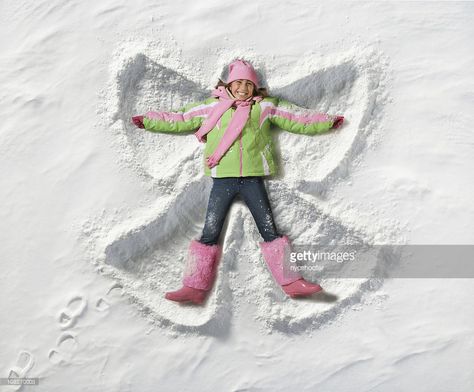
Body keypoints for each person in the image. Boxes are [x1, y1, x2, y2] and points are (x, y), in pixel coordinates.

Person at [132, 59, 344, 304]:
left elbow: (296, 118)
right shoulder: (212, 107)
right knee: (211, 230)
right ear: (229, 85)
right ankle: (194, 287)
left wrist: (327, 122)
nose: (243, 88)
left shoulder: (264, 107)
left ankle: (292, 282)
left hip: (252, 179)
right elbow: (180, 118)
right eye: (238, 83)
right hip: (223, 179)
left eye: (248, 83)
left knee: (269, 228)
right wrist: (149, 120)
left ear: (254, 87)